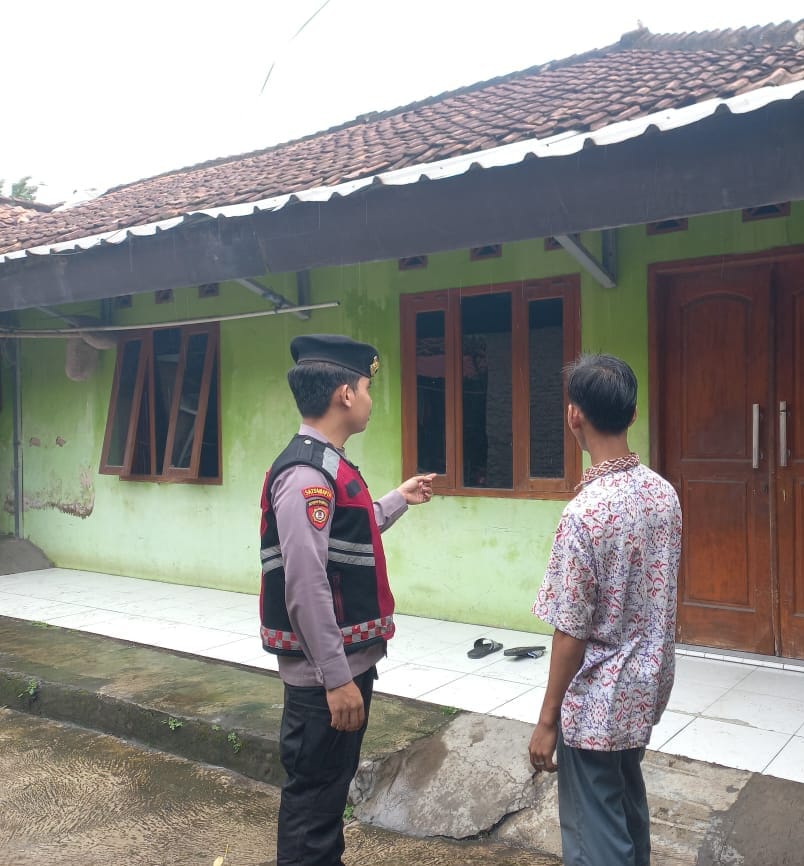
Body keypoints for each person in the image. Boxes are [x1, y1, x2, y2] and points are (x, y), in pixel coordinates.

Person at [259, 333, 435, 866]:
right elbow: (305, 585)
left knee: (328, 799)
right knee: (314, 808)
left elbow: (347, 534)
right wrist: (336, 679)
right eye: (367, 387)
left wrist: (398, 499)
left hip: (341, 665)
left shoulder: (327, 465)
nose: (371, 399)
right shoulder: (306, 475)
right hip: (325, 677)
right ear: (345, 395)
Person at [528, 353, 681, 866]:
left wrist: (547, 720)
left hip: (596, 701)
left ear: (574, 415)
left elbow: (570, 632)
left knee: (595, 835)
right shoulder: (664, 495)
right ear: (633, 414)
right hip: (646, 687)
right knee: (627, 808)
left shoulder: (584, 514)